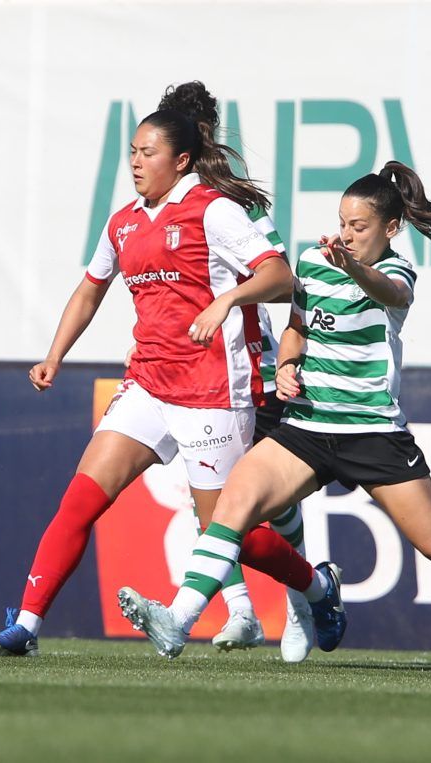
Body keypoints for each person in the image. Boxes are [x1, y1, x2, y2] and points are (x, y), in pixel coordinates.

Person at [118, 161, 431, 676]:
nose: (347, 234)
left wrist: (351, 267)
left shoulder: (396, 272)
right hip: (308, 426)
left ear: (391, 228)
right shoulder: (312, 260)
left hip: (371, 432)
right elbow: (297, 328)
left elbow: (392, 294)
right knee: (232, 507)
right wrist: (287, 365)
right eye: (343, 223)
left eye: (359, 226)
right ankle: (179, 619)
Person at [0, 84, 322, 658]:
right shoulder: (124, 223)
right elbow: (90, 290)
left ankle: (316, 589)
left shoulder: (215, 210)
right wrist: (55, 355)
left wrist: (226, 301)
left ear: (181, 160)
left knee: (231, 535)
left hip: (212, 391)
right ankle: (27, 627)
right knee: (79, 502)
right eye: (132, 152)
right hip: (148, 386)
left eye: (148, 152)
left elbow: (282, 277)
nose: (135, 162)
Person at [153, 82, 315, 662]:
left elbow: (282, 277)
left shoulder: (229, 202)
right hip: (182, 368)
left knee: (268, 501)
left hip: (246, 366)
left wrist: (233, 307)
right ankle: (244, 610)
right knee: (210, 493)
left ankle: (302, 602)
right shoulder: (154, 206)